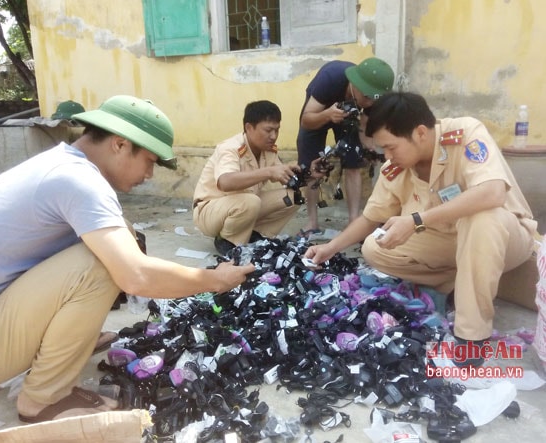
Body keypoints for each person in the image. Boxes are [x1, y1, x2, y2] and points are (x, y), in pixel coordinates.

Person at [0, 95, 254, 423]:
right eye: (149, 161)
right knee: (102, 266)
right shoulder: (80, 182)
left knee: (121, 237)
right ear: (119, 144)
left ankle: (67, 344)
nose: (149, 174)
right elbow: (136, 276)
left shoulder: (62, 163)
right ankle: (44, 399)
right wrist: (215, 279)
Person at [305, 92, 537, 360]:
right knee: (374, 247)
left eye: (391, 147)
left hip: (506, 235)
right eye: (383, 149)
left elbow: (493, 193)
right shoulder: (396, 167)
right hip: (451, 242)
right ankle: (457, 282)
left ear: (420, 133)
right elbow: (371, 218)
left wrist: (416, 221)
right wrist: (330, 248)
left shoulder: (465, 134)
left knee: (481, 217)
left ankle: (472, 336)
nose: (387, 156)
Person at [193, 100, 325, 255]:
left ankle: (256, 235)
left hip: (244, 204)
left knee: (295, 196)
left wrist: (309, 173)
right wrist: (269, 172)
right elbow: (225, 182)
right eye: (268, 130)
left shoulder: (268, 151)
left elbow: (286, 178)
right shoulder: (231, 148)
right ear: (249, 127)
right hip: (209, 211)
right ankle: (226, 241)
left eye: (277, 130)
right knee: (251, 201)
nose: (273, 136)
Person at [296, 57, 395, 237]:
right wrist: (327, 115)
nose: (369, 103)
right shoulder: (330, 79)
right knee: (312, 166)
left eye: (374, 99)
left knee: (354, 160)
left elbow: (365, 127)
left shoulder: (373, 96)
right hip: (319, 111)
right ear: (353, 84)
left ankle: (353, 220)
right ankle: (311, 222)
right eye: (366, 97)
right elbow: (306, 120)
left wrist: (370, 149)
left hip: (348, 116)